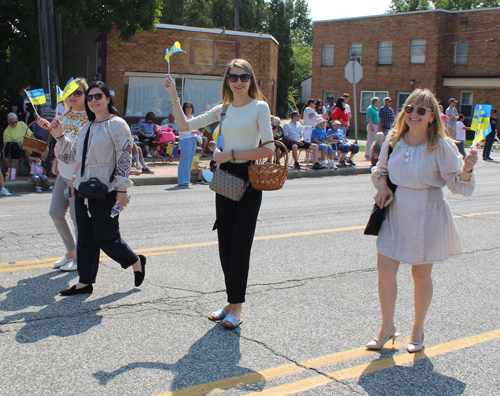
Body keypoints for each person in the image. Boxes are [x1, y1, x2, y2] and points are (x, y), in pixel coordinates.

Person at [164, 58, 274, 328]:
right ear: (227, 80)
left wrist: (231, 154)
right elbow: (186, 126)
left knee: (240, 244)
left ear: (251, 79)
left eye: (243, 77)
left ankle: (237, 307)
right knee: (225, 242)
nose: (238, 82)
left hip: (248, 178)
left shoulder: (260, 107)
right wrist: (173, 95)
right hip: (225, 178)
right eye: (233, 77)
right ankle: (230, 301)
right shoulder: (224, 110)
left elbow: (269, 148)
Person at [368, 88, 477, 353]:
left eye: (420, 110)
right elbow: (380, 170)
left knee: (420, 274)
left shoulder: (441, 145)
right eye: (409, 108)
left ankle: (418, 329)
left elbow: (459, 187)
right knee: (385, 268)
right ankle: (387, 327)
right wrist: (382, 185)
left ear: (432, 116)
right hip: (395, 210)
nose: (413, 114)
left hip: (427, 211)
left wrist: (467, 168)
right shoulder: (394, 139)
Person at [49, 81, 146, 296]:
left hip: (107, 189)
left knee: (105, 237)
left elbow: (124, 156)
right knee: (85, 236)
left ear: (108, 99)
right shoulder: (86, 127)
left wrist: (122, 189)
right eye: (90, 97)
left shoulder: (117, 124)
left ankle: (135, 260)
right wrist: (58, 135)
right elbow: (70, 155)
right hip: (84, 189)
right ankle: (85, 282)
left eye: (97, 96)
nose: (93, 100)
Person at [36, 77, 89, 272]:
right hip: (64, 174)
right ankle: (71, 251)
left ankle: (81, 258)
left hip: (78, 176)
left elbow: (84, 151)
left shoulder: (90, 118)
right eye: (71, 93)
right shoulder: (65, 116)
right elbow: (61, 140)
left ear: (86, 95)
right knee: (55, 213)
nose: (74, 96)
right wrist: (57, 158)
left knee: (78, 218)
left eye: (79, 92)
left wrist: (75, 175)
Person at [178, 101, 200, 186]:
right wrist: (194, 132)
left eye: (190, 106)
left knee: (190, 161)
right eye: (187, 106)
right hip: (186, 140)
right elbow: (183, 130)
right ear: (184, 108)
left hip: (193, 139)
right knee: (185, 161)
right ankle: (183, 181)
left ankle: (186, 180)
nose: (189, 108)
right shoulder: (182, 117)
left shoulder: (192, 117)